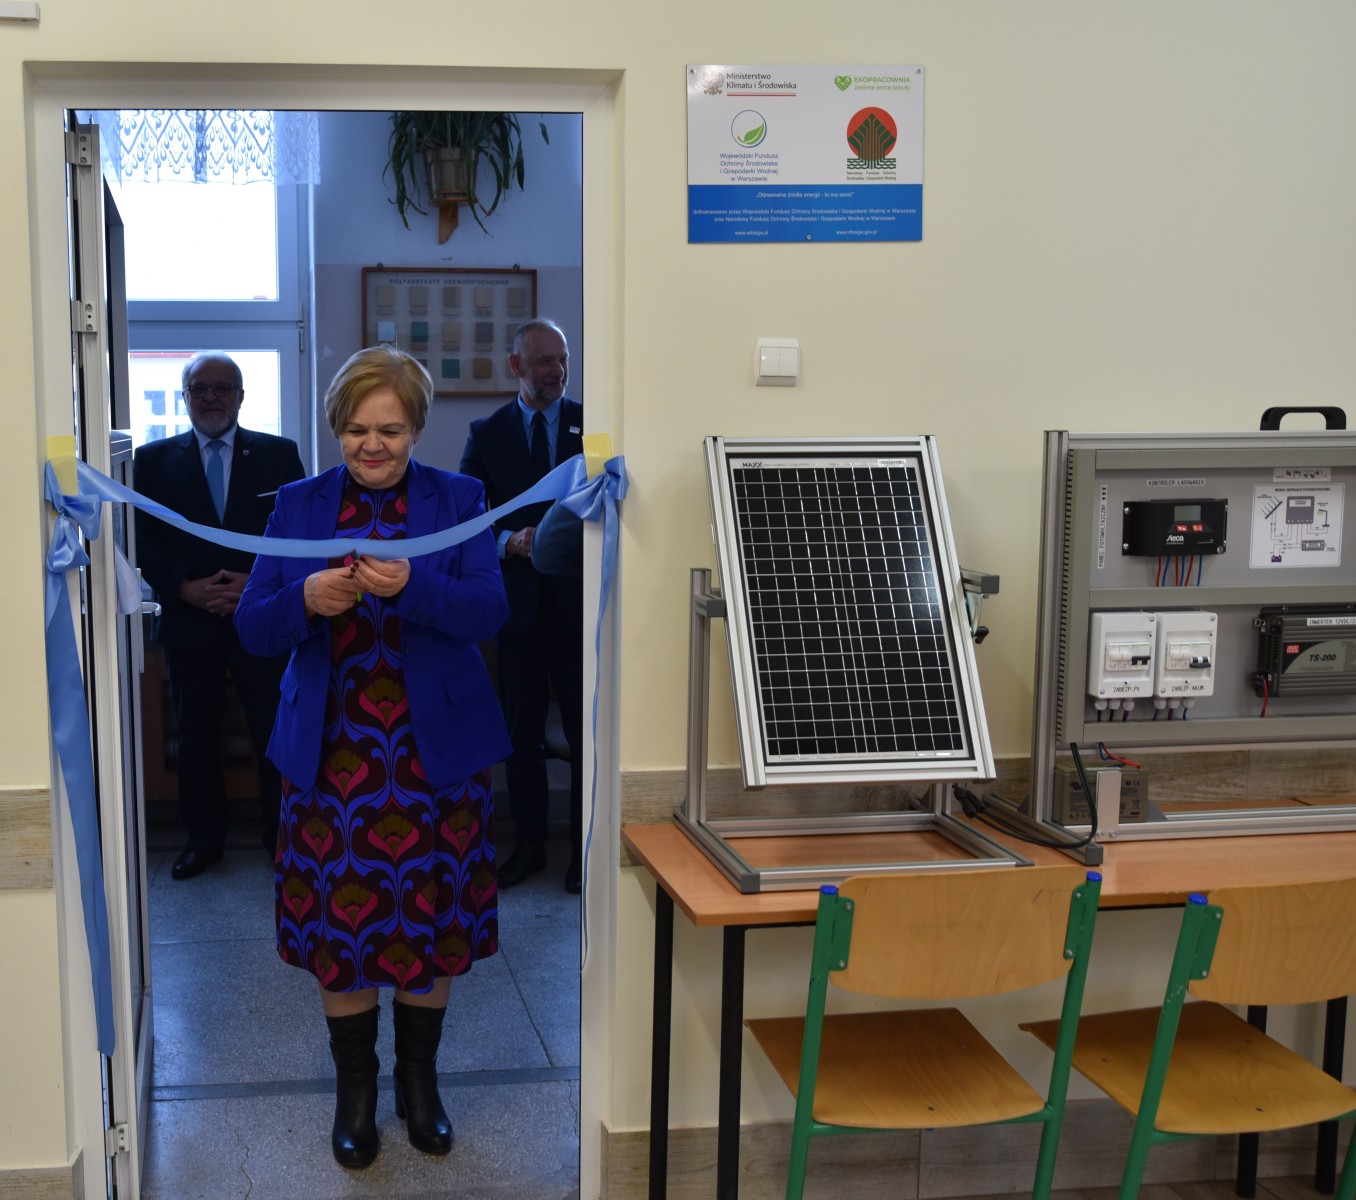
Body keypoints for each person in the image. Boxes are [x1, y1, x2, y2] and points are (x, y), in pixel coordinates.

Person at [235, 345, 511, 1170]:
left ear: (416, 427)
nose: (372, 445)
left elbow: (490, 611)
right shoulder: (299, 504)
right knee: (344, 927)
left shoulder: (460, 498)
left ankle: (419, 1085)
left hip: (438, 763)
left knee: (431, 921)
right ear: (336, 429)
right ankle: (354, 1092)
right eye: (356, 429)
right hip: (332, 761)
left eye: (389, 429)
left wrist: (411, 589)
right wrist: (305, 598)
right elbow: (253, 626)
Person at [134, 352, 306, 881]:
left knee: (273, 731)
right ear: (186, 396)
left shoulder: (279, 454)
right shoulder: (151, 460)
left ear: (241, 396)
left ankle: (284, 837)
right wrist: (184, 587)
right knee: (195, 737)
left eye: (222, 388)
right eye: (199, 389)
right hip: (190, 621)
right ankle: (203, 840)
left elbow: (298, 533)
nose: (210, 397)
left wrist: (253, 584)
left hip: (261, 619)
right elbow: (142, 538)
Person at [460, 318, 584, 893]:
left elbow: (612, 503)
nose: (558, 371)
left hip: (578, 607)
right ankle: (530, 844)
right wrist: (510, 541)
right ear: (516, 366)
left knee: (585, 733)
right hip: (517, 608)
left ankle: (583, 850)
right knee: (521, 733)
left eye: (563, 359)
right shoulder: (487, 434)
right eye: (544, 361)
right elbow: (466, 522)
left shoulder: (593, 426)